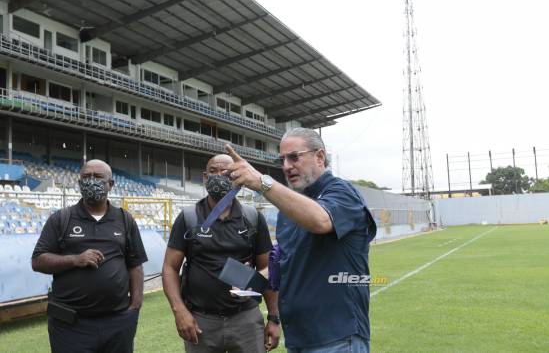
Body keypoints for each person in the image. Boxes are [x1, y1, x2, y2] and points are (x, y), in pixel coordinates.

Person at [224, 127, 376, 353]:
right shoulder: (289, 208)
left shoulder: (343, 193)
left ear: (320, 156)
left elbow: (320, 221)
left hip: (338, 338)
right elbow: (285, 265)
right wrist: (248, 280)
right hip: (300, 338)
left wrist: (262, 182)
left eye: (294, 157)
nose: (286, 166)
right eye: (282, 159)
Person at [162, 154, 280, 353]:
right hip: (201, 320)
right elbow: (170, 267)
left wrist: (274, 317)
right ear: (205, 177)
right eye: (213, 171)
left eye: (226, 172)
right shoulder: (189, 217)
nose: (219, 176)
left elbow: (268, 269)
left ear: (237, 177)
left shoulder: (252, 218)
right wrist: (179, 310)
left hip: (246, 319)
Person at [31, 159, 148, 353]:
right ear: (78, 184)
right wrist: (75, 259)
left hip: (118, 323)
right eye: (86, 177)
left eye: (98, 177)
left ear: (110, 184)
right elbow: (37, 261)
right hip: (70, 325)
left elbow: (135, 265)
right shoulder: (61, 218)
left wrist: (135, 306)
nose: (91, 181)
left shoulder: (125, 220)